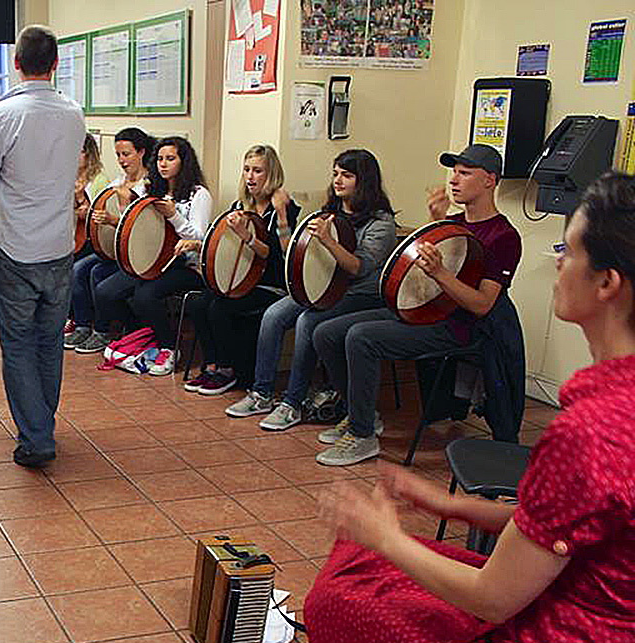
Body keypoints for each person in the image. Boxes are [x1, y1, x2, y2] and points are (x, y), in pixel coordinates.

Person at [261, 171, 635, 643]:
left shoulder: (592, 430)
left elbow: (493, 599)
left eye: (568, 250)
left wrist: (386, 535)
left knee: (344, 602)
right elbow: (570, 527)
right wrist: (450, 503)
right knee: (357, 570)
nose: (558, 262)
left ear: (607, 284)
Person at [311, 144, 521, 466]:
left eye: (465, 173)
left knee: (361, 337)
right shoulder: (452, 222)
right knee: (326, 332)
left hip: (461, 326)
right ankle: (360, 413)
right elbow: (420, 279)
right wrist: (435, 223)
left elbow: (482, 305)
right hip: (426, 310)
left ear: (489, 180)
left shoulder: (503, 236)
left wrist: (440, 272)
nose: (454, 180)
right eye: (454, 172)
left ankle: (363, 435)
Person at [0, 24, 86, 467]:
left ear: (17, 63)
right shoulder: (74, 112)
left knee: (17, 345)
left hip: (16, 250)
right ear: (56, 64)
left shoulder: (3, 115)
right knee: (49, 342)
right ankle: (40, 423)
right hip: (60, 247)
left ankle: (37, 437)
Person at [226, 149, 396, 429]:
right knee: (273, 315)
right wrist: (283, 220)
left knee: (307, 321)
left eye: (347, 175)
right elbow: (292, 255)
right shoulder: (329, 213)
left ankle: (292, 403)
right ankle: (262, 393)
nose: (338, 180)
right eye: (335, 174)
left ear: (364, 180)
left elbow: (358, 268)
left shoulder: (381, 223)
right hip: (322, 287)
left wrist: (328, 241)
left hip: (358, 294)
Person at [183, 144, 300, 395]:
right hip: (241, 280)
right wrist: (199, 245)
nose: (250, 176)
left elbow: (279, 253)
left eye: (257, 171)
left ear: (271, 174)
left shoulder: (283, 207)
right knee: (199, 303)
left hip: (270, 284)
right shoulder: (240, 205)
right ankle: (211, 365)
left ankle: (227, 370)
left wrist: (251, 233)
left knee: (219, 307)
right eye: (247, 170)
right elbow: (226, 244)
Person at [116, 135, 214, 376]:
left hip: (189, 266)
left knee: (144, 294)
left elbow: (200, 238)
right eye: (160, 159)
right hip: (155, 261)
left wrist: (173, 215)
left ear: (184, 162)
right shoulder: (152, 189)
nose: (163, 164)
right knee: (111, 291)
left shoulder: (198, 194)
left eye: (170, 158)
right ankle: (144, 339)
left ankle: (169, 347)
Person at [64, 127, 152, 354]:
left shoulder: (148, 186)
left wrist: (112, 219)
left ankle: (102, 330)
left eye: (126, 154)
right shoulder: (117, 182)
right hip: (113, 250)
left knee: (93, 272)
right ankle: (83, 325)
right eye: (118, 155)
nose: (122, 160)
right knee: (79, 270)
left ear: (141, 152)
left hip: (137, 255)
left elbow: (141, 228)